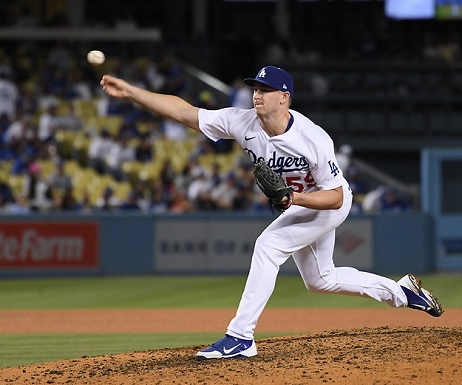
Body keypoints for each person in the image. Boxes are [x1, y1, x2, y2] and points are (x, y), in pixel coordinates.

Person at [100, 65, 443, 360]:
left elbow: (336, 197)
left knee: (268, 246)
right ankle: (401, 292)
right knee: (321, 280)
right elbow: (184, 112)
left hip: (326, 202)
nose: (257, 94)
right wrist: (131, 91)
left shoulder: (313, 138)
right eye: (255, 88)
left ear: (285, 97)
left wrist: (294, 200)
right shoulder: (241, 122)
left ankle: (240, 336)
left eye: (266, 89)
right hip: (303, 202)